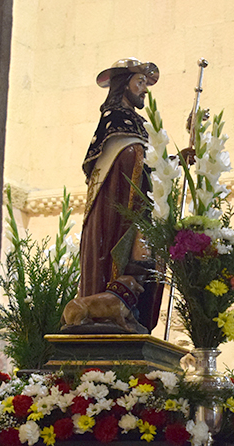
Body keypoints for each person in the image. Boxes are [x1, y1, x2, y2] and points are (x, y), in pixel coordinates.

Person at [76, 58, 164, 334]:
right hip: (117, 216)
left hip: (140, 211)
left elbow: (152, 167)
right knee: (124, 257)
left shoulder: (140, 125)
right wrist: (142, 158)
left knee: (145, 262)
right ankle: (106, 312)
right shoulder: (114, 122)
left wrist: (177, 161)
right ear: (123, 85)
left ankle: (132, 312)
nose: (144, 90)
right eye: (140, 82)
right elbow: (123, 163)